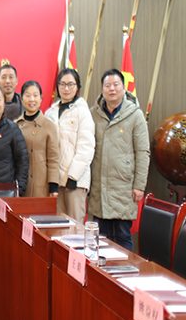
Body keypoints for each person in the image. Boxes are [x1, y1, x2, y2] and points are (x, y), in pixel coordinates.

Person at [88, 69, 150, 251]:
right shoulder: (93, 114)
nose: (112, 89)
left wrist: (139, 185)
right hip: (99, 187)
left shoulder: (135, 115)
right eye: (107, 85)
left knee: (122, 235)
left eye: (116, 85)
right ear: (102, 89)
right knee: (101, 238)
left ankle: (125, 270)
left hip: (124, 187)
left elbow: (143, 152)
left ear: (124, 88)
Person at [45, 68, 95, 223]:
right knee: (57, 224)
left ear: (77, 86)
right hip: (56, 181)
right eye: (62, 84)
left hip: (75, 181)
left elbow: (86, 147)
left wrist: (73, 177)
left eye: (71, 84)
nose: (66, 88)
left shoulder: (83, 112)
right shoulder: (50, 112)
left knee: (74, 225)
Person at [16, 81, 60, 198]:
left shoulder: (48, 126)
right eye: (27, 95)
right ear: (21, 98)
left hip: (42, 186)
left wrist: (53, 185)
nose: (32, 99)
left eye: (35, 95)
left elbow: (53, 158)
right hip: (20, 186)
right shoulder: (15, 126)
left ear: (41, 98)